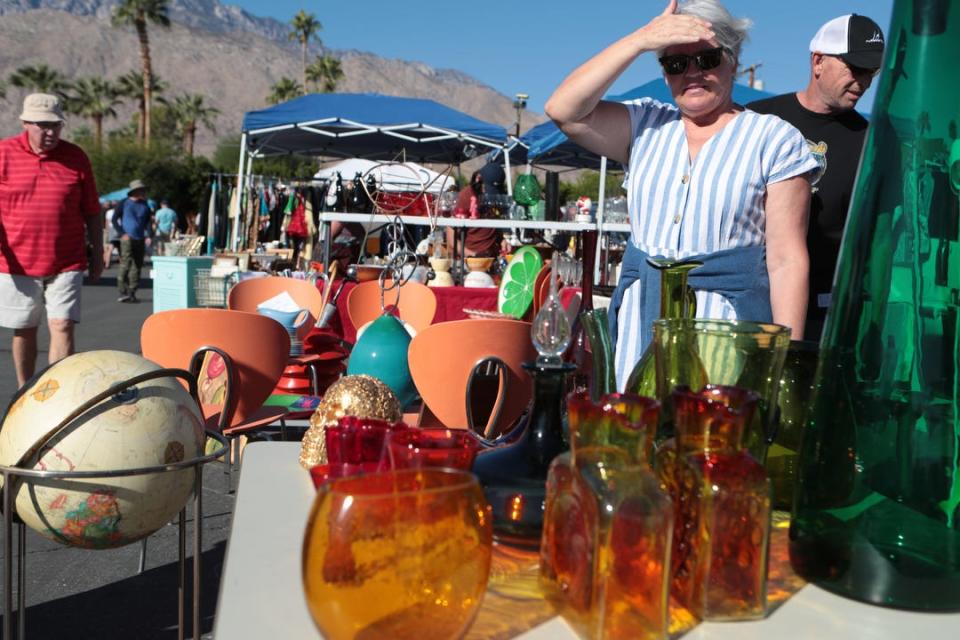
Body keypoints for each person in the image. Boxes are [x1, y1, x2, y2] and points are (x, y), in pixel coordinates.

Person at [545, 0, 820, 388]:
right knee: (635, 438)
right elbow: (563, 109)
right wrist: (640, 41)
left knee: (712, 441)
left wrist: (785, 360)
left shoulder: (774, 139)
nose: (692, 74)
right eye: (675, 64)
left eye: (706, 59)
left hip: (727, 331)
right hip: (642, 327)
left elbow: (786, 259)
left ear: (733, 59)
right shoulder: (645, 125)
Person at [748, 14, 884, 340]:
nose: (864, 82)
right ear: (818, 61)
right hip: (749, 309)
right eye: (856, 69)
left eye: (872, 72)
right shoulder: (758, 118)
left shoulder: (872, 141)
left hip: (825, 321)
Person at [0, 93, 103, 387]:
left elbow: (93, 212)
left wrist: (97, 254)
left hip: (66, 261)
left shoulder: (76, 157)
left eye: (55, 126)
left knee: (63, 325)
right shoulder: (4, 154)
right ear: (25, 123)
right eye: (42, 125)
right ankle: (26, 390)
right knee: (25, 329)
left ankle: (57, 394)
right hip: (16, 263)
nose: (50, 132)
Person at [117, 179, 152, 303]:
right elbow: (115, 219)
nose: (143, 192)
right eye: (141, 190)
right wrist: (122, 233)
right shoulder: (124, 203)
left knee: (137, 266)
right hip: (127, 238)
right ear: (135, 191)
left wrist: (149, 235)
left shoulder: (145, 205)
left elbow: (148, 222)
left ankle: (132, 291)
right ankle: (122, 290)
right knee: (126, 263)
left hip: (140, 237)